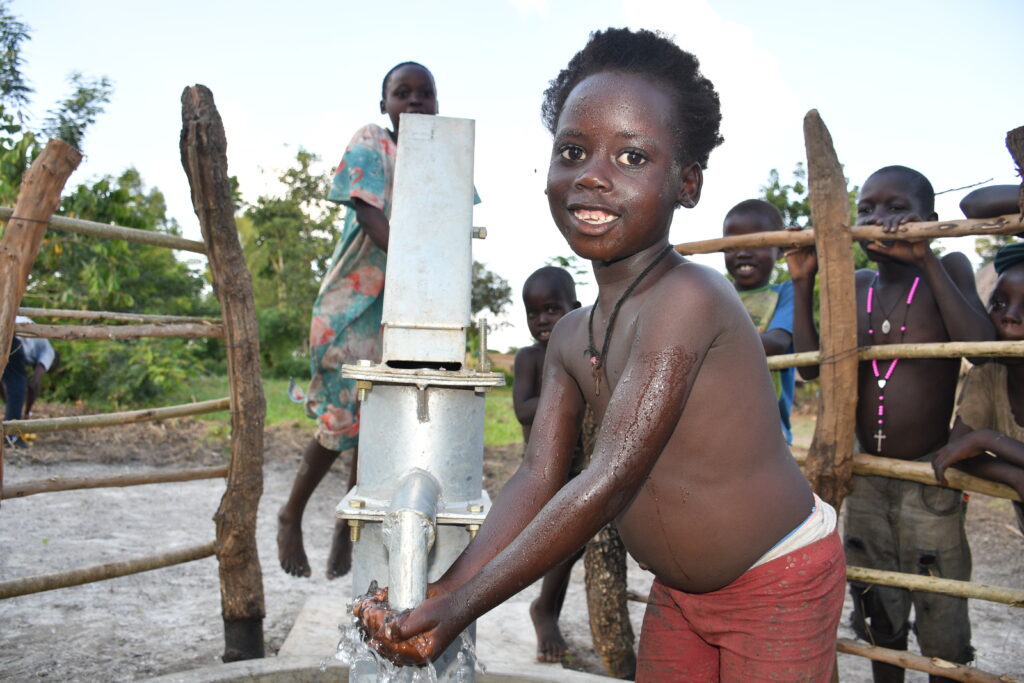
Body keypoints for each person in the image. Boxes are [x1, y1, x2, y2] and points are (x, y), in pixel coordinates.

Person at [356, 28, 845, 682]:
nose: (592, 174)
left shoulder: (691, 299)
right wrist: (442, 592)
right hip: (679, 594)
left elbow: (607, 476)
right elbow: (537, 479)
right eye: (574, 150)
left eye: (633, 157)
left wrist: (462, 607)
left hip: (778, 579)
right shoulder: (569, 335)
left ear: (688, 183)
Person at [786, 165, 995, 682]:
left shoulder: (950, 267)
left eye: (897, 209)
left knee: (940, 600)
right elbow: (812, 366)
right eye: (868, 209)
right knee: (877, 602)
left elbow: (981, 348)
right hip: (868, 474)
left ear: (929, 219)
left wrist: (927, 256)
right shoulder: (856, 284)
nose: (880, 221)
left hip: (930, 475)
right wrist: (804, 279)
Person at [277, 61, 439, 579]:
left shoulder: (438, 155)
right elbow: (370, 215)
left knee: (376, 429)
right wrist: (417, 261)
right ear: (384, 105)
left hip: (403, 310)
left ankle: (348, 528)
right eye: (402, 93)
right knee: (341, 420)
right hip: (351, 306)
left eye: (425, 94)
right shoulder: (375, 141)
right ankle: (291, 514)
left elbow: (453, 217)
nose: (414, 102)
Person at [513, 265, 583, 662]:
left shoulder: (583, 353)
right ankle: (545, 613)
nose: (541, 321)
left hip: (581, 465)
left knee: (572, 545)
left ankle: (546, 609)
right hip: (545, 469)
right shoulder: (530, 358)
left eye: (551, 309)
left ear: (574, 309)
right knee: (562, 544)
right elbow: (523, 410)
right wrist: (566, 393)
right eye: (533, 313)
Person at [932, 242, 1024, 532]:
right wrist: (1016, 475)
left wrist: (987, 440)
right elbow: (957, 452)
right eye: (998, 303)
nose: (1010, 316)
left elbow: (973, 445)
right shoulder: (989, 374)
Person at [722, 199, 796, 443]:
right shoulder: (715, 294)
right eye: (734, 245)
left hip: (768, 434)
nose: (744, 252)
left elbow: (776, 342)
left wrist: (711, 343)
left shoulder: (786, 292)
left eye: (757, 243)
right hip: (716, 426)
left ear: (781, 249)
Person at [2, 316, 58, 448]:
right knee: (19, 386)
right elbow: (33, 386)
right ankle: (12, 437)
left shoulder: (36, 347)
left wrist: (10, 403)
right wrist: (26, 413)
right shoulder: (49, 352)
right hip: (11, 334)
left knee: (15, 388)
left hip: (6, 326)